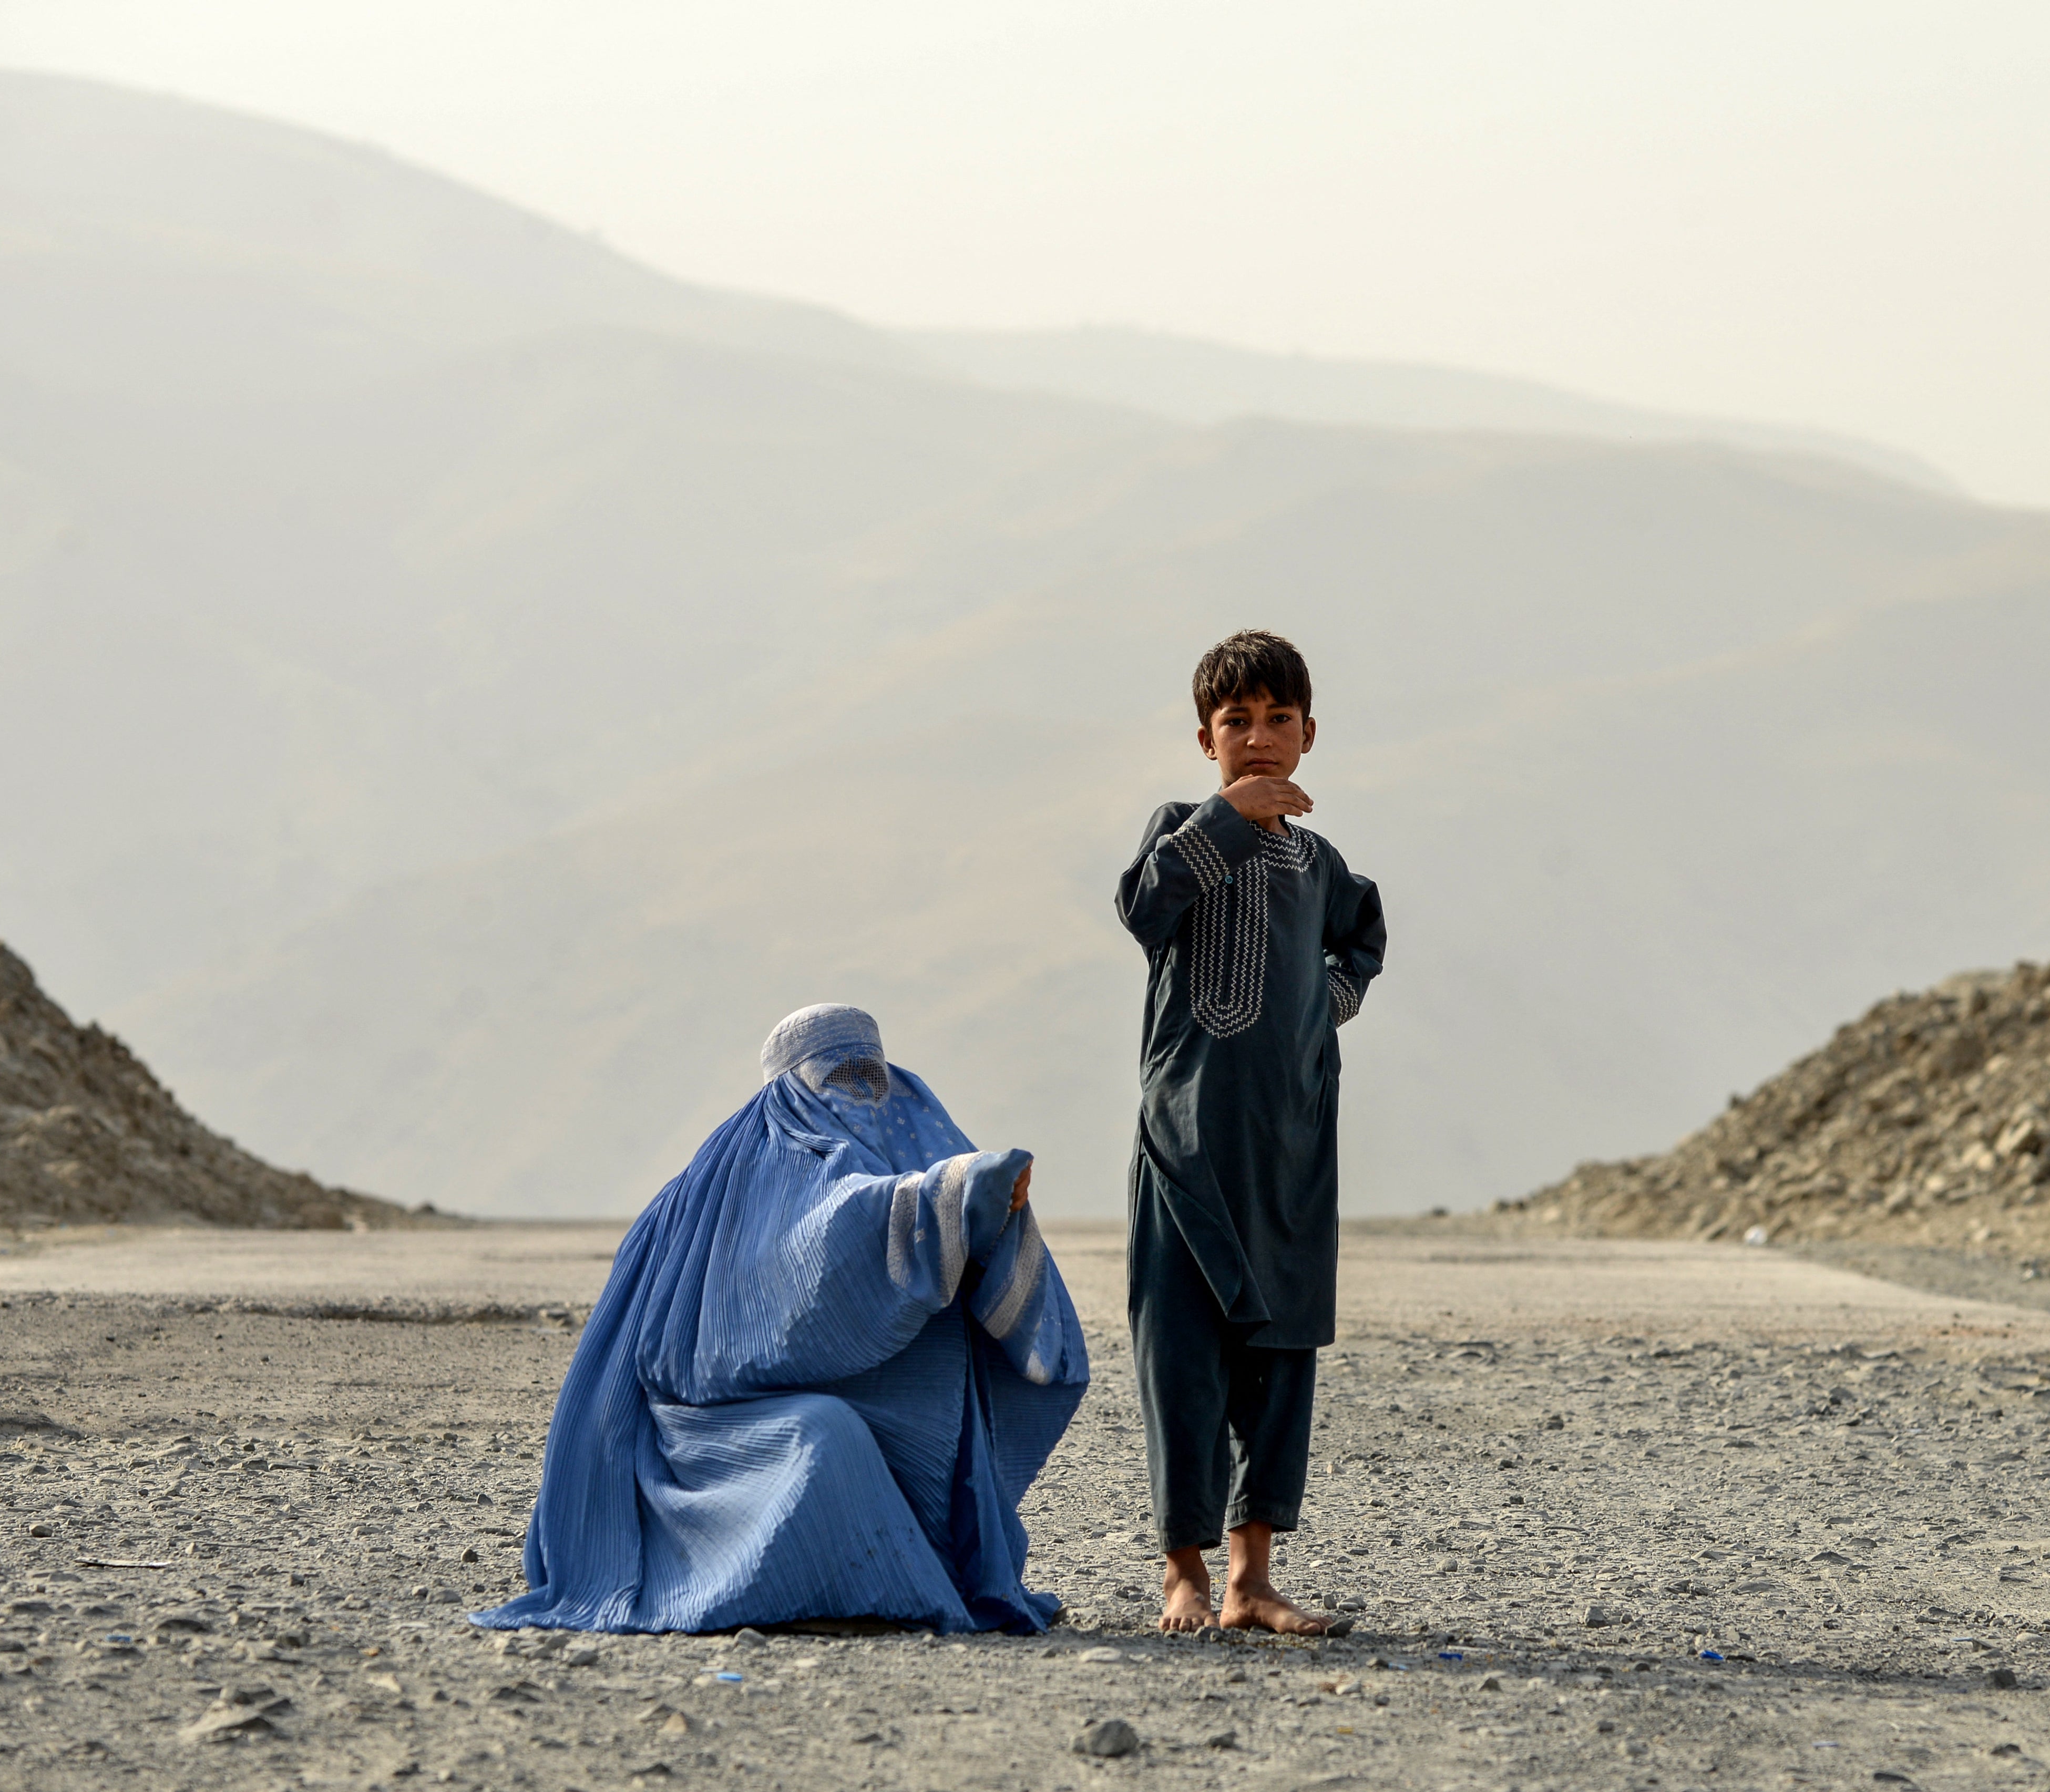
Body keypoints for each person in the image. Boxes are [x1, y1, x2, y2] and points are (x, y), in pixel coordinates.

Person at [472, 1003, 1087, 1635]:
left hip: (829, 1400)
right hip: (709, 1420)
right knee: (825, 1438)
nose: (861, 1093)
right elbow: (822, 1246)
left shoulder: (898, 1146)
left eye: (872, 1075)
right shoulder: (752, 1172)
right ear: (790, 1084)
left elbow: (922, 1213)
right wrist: (955, 1193)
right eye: (840, 1074)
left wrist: (986, 1207)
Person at [1115, 630, 1386, 1634]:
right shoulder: (1181, 830)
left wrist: (1328, 1002)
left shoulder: (1320, 863)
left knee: (1280, 1355)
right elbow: (1146, 912)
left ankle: (1251, 1578)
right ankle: (1182, 1570)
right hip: (1186, 1142)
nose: (1260, 738)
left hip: (1290, 1147)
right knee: (1179, 1351)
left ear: (1309, 736)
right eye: (1238, 722)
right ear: (1205, 739)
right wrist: (1225, 821)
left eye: (1279, 721)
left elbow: (1363, 935)